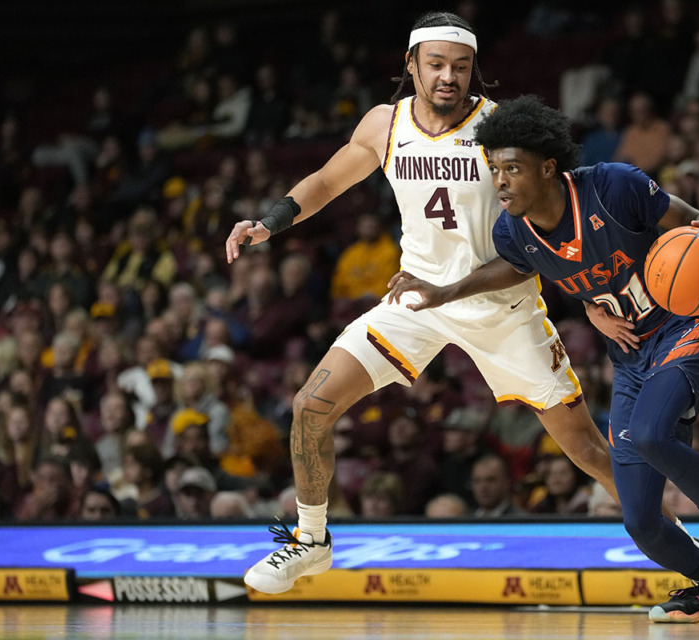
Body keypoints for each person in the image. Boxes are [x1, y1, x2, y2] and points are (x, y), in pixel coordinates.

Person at [225, 12, 618, 596]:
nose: (447, 77)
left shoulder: (499, 126)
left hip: (499, 303)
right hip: (414, 298)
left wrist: (592, 294)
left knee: (587, 450)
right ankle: (311, 541)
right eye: (435, 64)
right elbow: (328, 181)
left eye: (460, 67)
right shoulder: (385, 125)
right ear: (411, 65)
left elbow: (556, 217)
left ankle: (692, 544)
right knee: (310, 406)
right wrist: (270, 221)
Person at [388, 95, 699, 623]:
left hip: (685, 326)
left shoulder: (613, 185)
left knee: (653, 435)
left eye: (512, 168)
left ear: (547, 167)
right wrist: (445, 293)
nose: (501, 181)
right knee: (640, 522)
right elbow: (518, 267)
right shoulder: (512, 231)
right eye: (494, 169)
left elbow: (686, 218)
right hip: (631, 353)